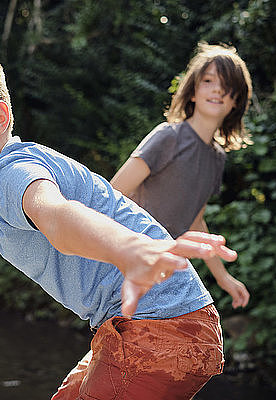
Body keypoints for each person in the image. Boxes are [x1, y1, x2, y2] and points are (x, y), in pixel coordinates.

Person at [0, 47, 238, 399]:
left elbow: (57, 217)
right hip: (163, 322)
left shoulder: (11, 173)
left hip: (157, 324)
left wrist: (130, 249)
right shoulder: (12, 182)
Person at [111, 43, 252, 309]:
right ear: (193, 92)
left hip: (164, 271)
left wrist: (223, 277)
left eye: (226, 85)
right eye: (208, 81)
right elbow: (113, 193)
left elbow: (195, 220)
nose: (217, 90)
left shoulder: (217, 158)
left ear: (235, 101)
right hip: (126, 262)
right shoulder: (169, 136)